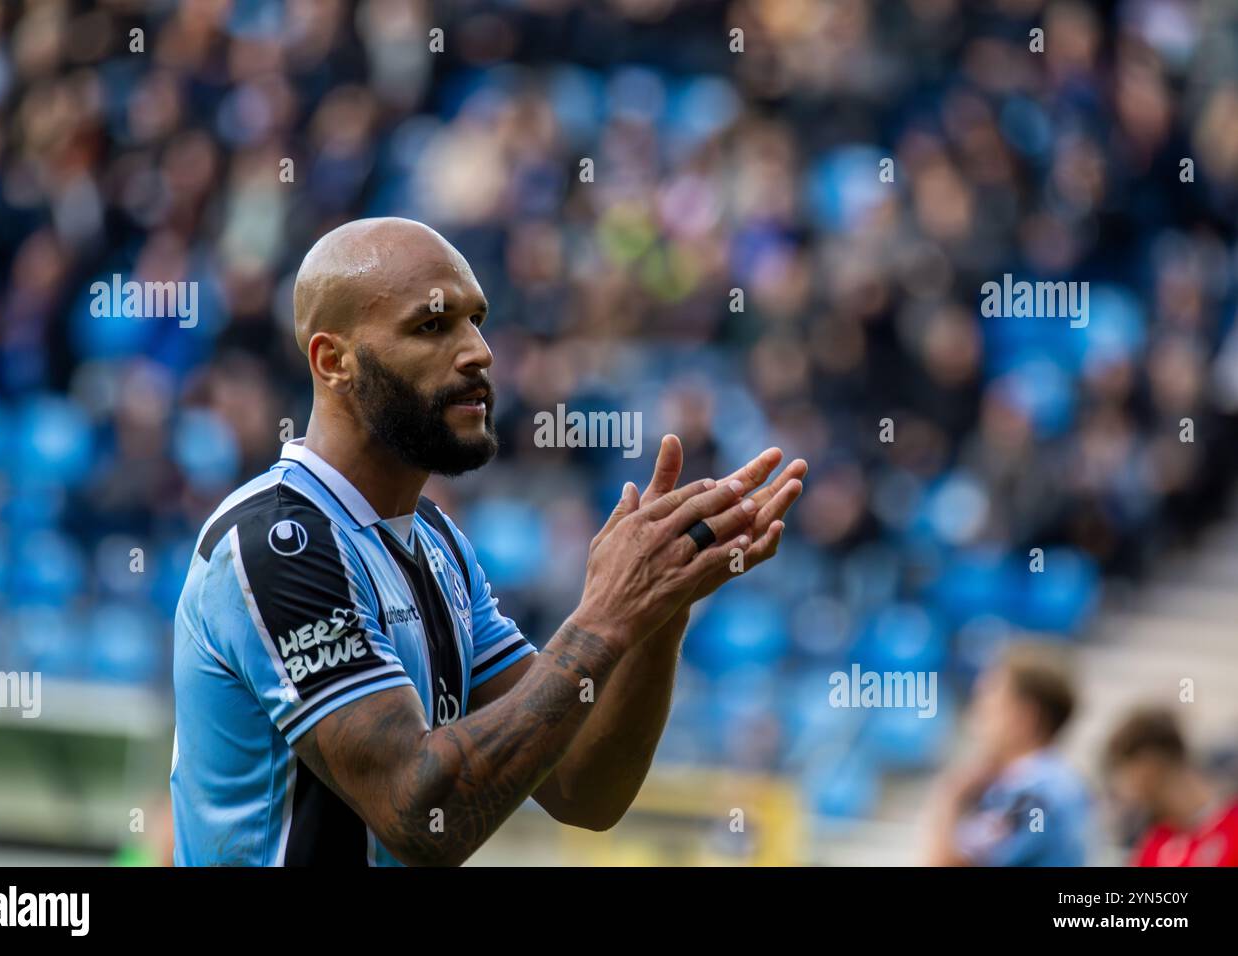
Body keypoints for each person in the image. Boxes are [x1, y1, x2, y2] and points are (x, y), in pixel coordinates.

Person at [169, 217, 807, 865]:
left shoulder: (440, 546)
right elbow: (423, 816)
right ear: (334, 362)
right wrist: (604, 618)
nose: (478, 351)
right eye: (432, 326)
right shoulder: (276, 545)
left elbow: (581, 788)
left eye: (476, 319)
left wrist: (660, 612)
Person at [925, 643, 1090, 866]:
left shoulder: (1036, 794)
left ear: (1024, 716)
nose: (976, 715)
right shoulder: (1033, 785)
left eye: (988, 701)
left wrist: (950, 799)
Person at [1104, 706, 1238, 866]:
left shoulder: (1232, 827)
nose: (1129, 794)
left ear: (1149, 766)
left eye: (1128, 778)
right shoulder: (1154, 845)